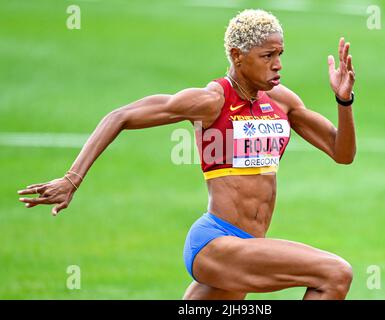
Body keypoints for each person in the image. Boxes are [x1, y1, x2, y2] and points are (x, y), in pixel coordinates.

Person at [17, 9, 356, 300]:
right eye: (267, 56)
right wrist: (72, 179)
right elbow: (119, 116)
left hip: (250, 248)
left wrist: (344, 102)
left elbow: (343, 153)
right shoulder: (212, 101)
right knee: (335, 273)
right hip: (217, 243)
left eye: (280, 53)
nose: (278, 65)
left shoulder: (282, 102)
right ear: (238, 56)